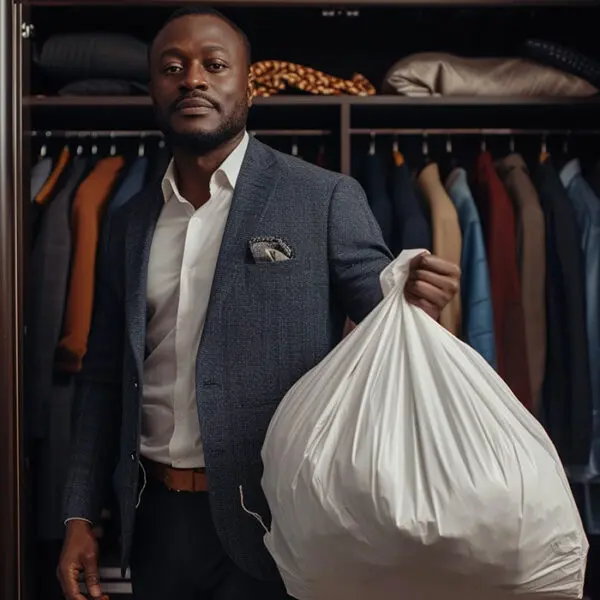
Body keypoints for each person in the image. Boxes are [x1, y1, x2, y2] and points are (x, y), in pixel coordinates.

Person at [57, 6, 461, 600]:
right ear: (154, 89)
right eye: (172, 67)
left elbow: (385, 311)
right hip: (155, 519)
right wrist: (78, 515)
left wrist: (415, 294)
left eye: (214, 65)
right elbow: (100, 379)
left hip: (277, 517)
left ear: (247, 86)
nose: (192, 78)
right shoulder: (128, 223)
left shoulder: (322, 197)